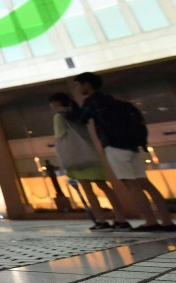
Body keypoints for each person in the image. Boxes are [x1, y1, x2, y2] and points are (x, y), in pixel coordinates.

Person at [68, 72, 175, 232]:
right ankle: (167, 221)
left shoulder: (93, 101)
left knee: (131, 184)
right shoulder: (112, 100)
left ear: (87, 84)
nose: (78, 88)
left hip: (114, 146)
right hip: (132, 146)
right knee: (144, 183)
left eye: (79, 84)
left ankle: (150, 221)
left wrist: (66, 111)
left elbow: (81, 118)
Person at [49, 92, 130, 230]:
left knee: (88, 190)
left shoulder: (59, 116)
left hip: (76, 157)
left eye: (51, 103)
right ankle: (121, 218)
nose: (51, 106)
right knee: (104, 187)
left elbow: (60, 136)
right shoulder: (78, 114)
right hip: (91, 155)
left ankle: (101, 220)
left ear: (57, 102)